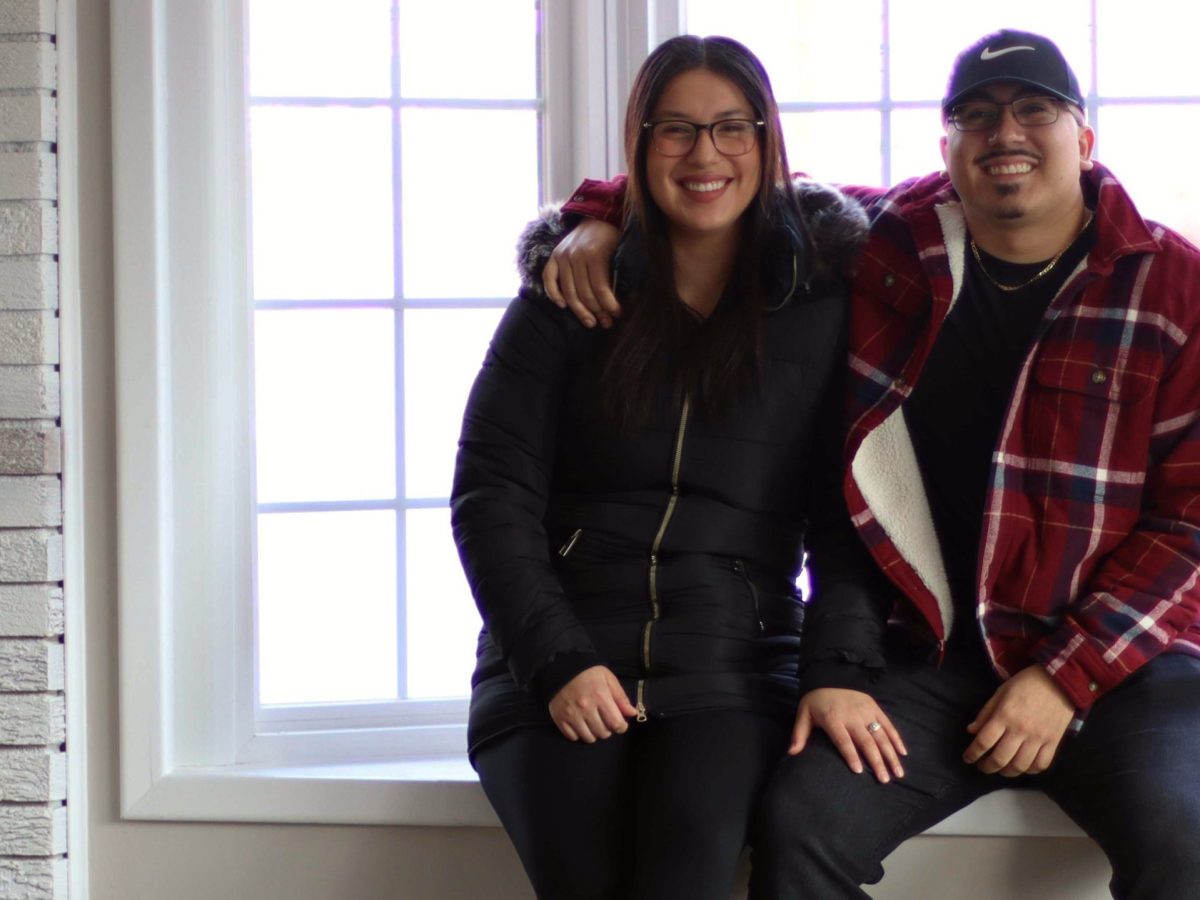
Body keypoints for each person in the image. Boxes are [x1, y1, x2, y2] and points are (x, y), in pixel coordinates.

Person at [537, 28, 1200, 899]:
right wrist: (598, 216)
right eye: (976, 115)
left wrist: (1063, 677)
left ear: (1084, 137)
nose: (1004, 133)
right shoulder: (898, 237)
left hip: (1121, 669)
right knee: (800, 825)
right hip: (932, 658)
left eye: (1034, 110)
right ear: (946, 146)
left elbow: (1189, 527)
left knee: (1186, 840)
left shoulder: (1174, 286)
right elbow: (729, 186)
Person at [450, 34, 883, 900]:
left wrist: (838, 669)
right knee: (586, 876)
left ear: (767, 139)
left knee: (685, 873)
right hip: (557, 654)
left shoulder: (824, 305)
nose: (705, 154)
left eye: (731, 127)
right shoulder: (568, 295)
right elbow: (491, 496)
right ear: (639, 146)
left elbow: (852, 520)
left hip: (733, 664)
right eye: (675, 130)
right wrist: (556, 661)